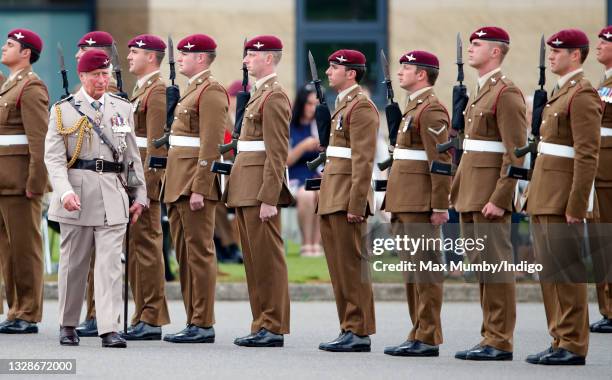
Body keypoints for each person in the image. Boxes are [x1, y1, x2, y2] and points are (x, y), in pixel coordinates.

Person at [45, 49, 147, 347]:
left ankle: (109, 327)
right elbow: (53, 159)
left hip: (113, 193)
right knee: (74, 265)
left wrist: (139, 192)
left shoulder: (121, 108)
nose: (102, 80)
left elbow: (131, 155)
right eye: (95, 75)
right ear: (82, 76)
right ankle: (67, 323)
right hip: (76, 192)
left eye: (105, 74)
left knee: (110, 265)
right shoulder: (63, 109)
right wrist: (64, 192)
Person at [525, 29, 602, 365]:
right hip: (545, 192)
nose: (552, 56)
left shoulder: (582, 94)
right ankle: (559, 338)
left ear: (576, 55)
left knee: (567, 272)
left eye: (559, 51)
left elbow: (588, 155)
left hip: (562, 198)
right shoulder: (560, 92)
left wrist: (576, 203)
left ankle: (573, 344)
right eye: (551, 51)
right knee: (550, 272)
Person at [450, 26, 526, 361]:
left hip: (489, 195)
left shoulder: (505, 93)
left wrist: (501, 195)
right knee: (481, 266)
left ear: (495, 51)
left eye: (477, 44)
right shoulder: (481, 91)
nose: (470, 48)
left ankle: (500, 339)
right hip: (470, 191)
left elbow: (516, 152)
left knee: (496, 266)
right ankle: (489, 335)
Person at [224, 35, 294, 348]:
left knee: (268, 260)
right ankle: (261, 322)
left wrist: (269, 196)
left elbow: (277, 151)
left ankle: (274, 325)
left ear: (268, 58)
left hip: (259, 189)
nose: (245, 60)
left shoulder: (274, 96)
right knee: (253, 261)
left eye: (251, 55)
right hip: (245, 184)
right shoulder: (257, 94)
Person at [382, 50, 451, 357]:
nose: (400, 72)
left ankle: (428, 335)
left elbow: (440, 161)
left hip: (420, 201)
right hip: (404, 199)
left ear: (422, 74)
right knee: (413, 271)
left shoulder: (431, 110)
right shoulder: (412, 108)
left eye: (406, 68)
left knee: (425, 270)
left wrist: (439, 205)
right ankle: (417, 331)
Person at [162, 34, 227, 344]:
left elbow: (212, 144)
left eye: (185, 55)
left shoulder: (211, 91)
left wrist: (201, 187)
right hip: (177, 183)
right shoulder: (191, 90)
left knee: (199, 253)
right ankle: (193, 319)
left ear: (201, 58)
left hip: (193, 185)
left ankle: (203, 322)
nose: (180, 60)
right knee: (185, 255)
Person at [317, 49, 378, 352]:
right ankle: (348, 326)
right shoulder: (342, 104)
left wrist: (357, 204)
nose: (328, 72)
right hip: (333, 193)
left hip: (346, 198)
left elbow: (363, 160)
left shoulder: (361, 107)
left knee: (352, 266)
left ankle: (359, 329)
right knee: (339, 267)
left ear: (351, 73)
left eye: (334, 67)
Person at [122, 34, 171, 340]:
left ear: (151, 57)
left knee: (148, 248)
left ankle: (152, 317)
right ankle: (141, 312)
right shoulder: (140, 90)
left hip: (144, 180)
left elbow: (156, 145)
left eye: (135, 51)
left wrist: (147, 189)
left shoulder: (157, 91)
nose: (129, 56)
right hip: (130, 175)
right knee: (136, 249)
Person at [0, 28, 49, 334]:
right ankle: (15, 308)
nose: (4, 48)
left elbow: (39, 142)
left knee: (24, 248)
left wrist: (36, 182)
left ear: (26, 53)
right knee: (7, 249)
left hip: (21, 183)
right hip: (4, 181)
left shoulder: (31, 88)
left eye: (10, 45)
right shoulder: (8, 86)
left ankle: (28, 312)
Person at [75, 30, 120, 338]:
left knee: (104, 258)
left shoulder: (108, 94)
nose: (79, 55)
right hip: (87, 179)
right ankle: (94, 313)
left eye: (84, 50)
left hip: (106, 179)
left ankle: (100, 315)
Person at [589, 25, 612, 334]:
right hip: (600, 168)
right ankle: (607, 308)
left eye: (605, 42)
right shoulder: (604, 82)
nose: (598, 46)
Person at [287, 84, 321, 257]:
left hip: (317, 173)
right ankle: (306, 243)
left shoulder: (319, 126)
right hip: (295, 174)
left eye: (315, 104)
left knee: (323, 193)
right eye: (309, 104)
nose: (312, 108)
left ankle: (317, 244)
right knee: (307, 195)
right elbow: (285, 160)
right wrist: (303, 147)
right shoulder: (290, 126)